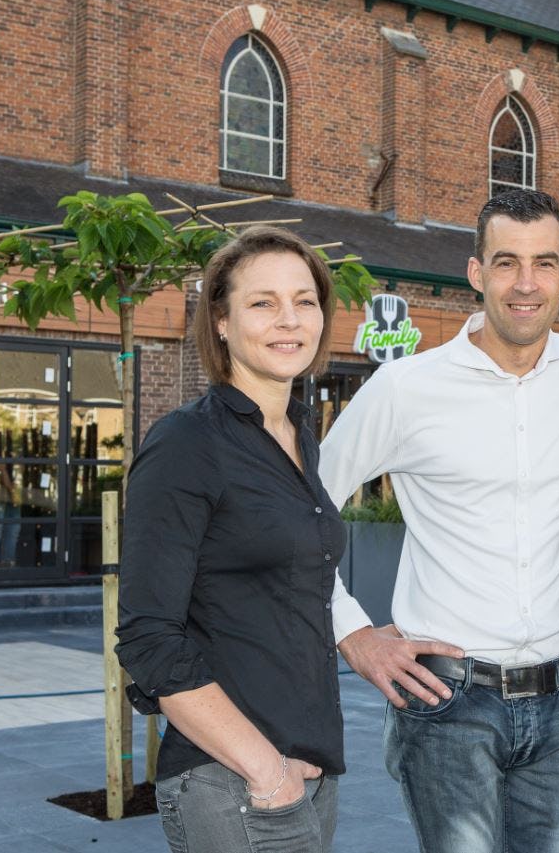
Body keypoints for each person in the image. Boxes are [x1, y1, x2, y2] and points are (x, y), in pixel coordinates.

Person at [320, 189, 559, 853]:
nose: (525, 284)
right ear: (476, 272)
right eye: (506, 263)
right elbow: (302, 509)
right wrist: (351, 633)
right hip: (448, 703)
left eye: (543, 263)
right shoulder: (406, 388)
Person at [116, 227, 346, 853]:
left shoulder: (299, 435)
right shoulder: (187, 443)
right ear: (221, 321)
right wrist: (267, 773)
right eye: (263, 302)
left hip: (307, 771)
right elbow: (147, 635)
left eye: (304, 301)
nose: (289, 319)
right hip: (234, 780)